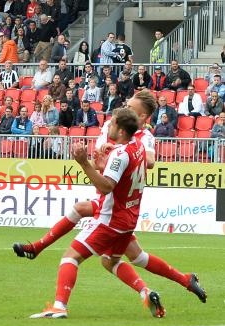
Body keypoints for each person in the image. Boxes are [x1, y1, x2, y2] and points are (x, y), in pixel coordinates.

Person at [13, 90, 207, 305]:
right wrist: (102, 156)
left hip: (114, 204)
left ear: (141, 117)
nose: (126, 108)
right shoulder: (115, 130)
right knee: (126, 257)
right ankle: (170, 285)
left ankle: (53, 287)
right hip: (119, 204)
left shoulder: (143, 139)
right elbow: (101, 164)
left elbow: (147, 162)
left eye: (131, 108)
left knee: (78, 239)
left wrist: (109, 153)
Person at [29, 108, 167, 318]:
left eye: (112, 124)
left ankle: (59, 306)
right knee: (110, 261)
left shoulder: (120, 154)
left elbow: (106, 186)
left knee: (70, 258)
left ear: (121, 131)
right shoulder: (138, 146)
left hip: (110, 218)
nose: (108, 126)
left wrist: (85, 163)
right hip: (128, 220)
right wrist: (103, 163)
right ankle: (145, 292)